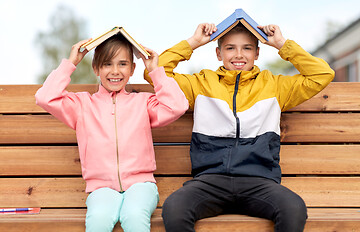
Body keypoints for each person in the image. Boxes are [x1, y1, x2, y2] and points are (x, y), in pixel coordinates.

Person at [144, 23, 335, 232]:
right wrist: (193, 43)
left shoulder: (276, 87)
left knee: (293, 208)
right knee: (175, 209)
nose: (239, 54)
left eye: (247, 48)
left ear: (257, 53)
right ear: (218, 53)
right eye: (230, 48)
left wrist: (282, 45)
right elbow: (155, 72)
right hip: (209, 182)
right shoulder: (200, 84)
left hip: (259, 182)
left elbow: (322, 74)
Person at [35, 33, 188, 232]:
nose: (115, 71)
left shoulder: (142, 102)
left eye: (123, 64)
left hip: (141, 185)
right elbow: (45, 98)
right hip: (101, 188)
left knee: (133, 216)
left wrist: (155, 71)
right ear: (96, 68)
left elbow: (177, 106)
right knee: (98, 219)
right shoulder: (82, 105)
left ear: (133, 69)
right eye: (107, 64)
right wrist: (71, 62)